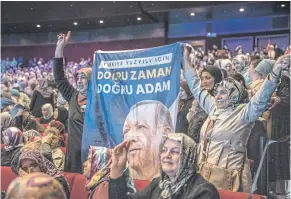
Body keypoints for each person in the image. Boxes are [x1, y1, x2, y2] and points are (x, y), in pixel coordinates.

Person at [182, 44, 290, 192]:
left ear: (233, 97)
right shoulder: (213, 106)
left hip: (229, 182)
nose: (217, 96)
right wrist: (185, 58)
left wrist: (276, 70)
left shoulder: (244, 114)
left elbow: (262, 96)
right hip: (204, 177)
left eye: (223, 93)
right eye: (217, 91)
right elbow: (195, 85)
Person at [109, 133, 220, 199]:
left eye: (175, 151)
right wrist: (117, 168)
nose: (167, 155)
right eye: (164, 150)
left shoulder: (204, 191)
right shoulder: (159, 184)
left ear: (188, 157)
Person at [54, 31, 92, 173]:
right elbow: (59, 77)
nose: (79, 80)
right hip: (73, 156)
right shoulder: (72, 96)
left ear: (91, 80)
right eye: (78, 77)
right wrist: (59, 49)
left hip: (91, 157)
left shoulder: (99, 101)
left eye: (83, 77)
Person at [123, 100, 173, 181]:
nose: (130, 138)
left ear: (166, 133)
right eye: (126, 131)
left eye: (141, 127)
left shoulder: (187, 188)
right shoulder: (111, 186)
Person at [186, 66, 222, 143]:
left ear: (217, 78)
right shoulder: (204, 99)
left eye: (208, 78)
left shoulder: (224, 101)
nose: (204, 81)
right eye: (202, 79)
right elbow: (194, 84)